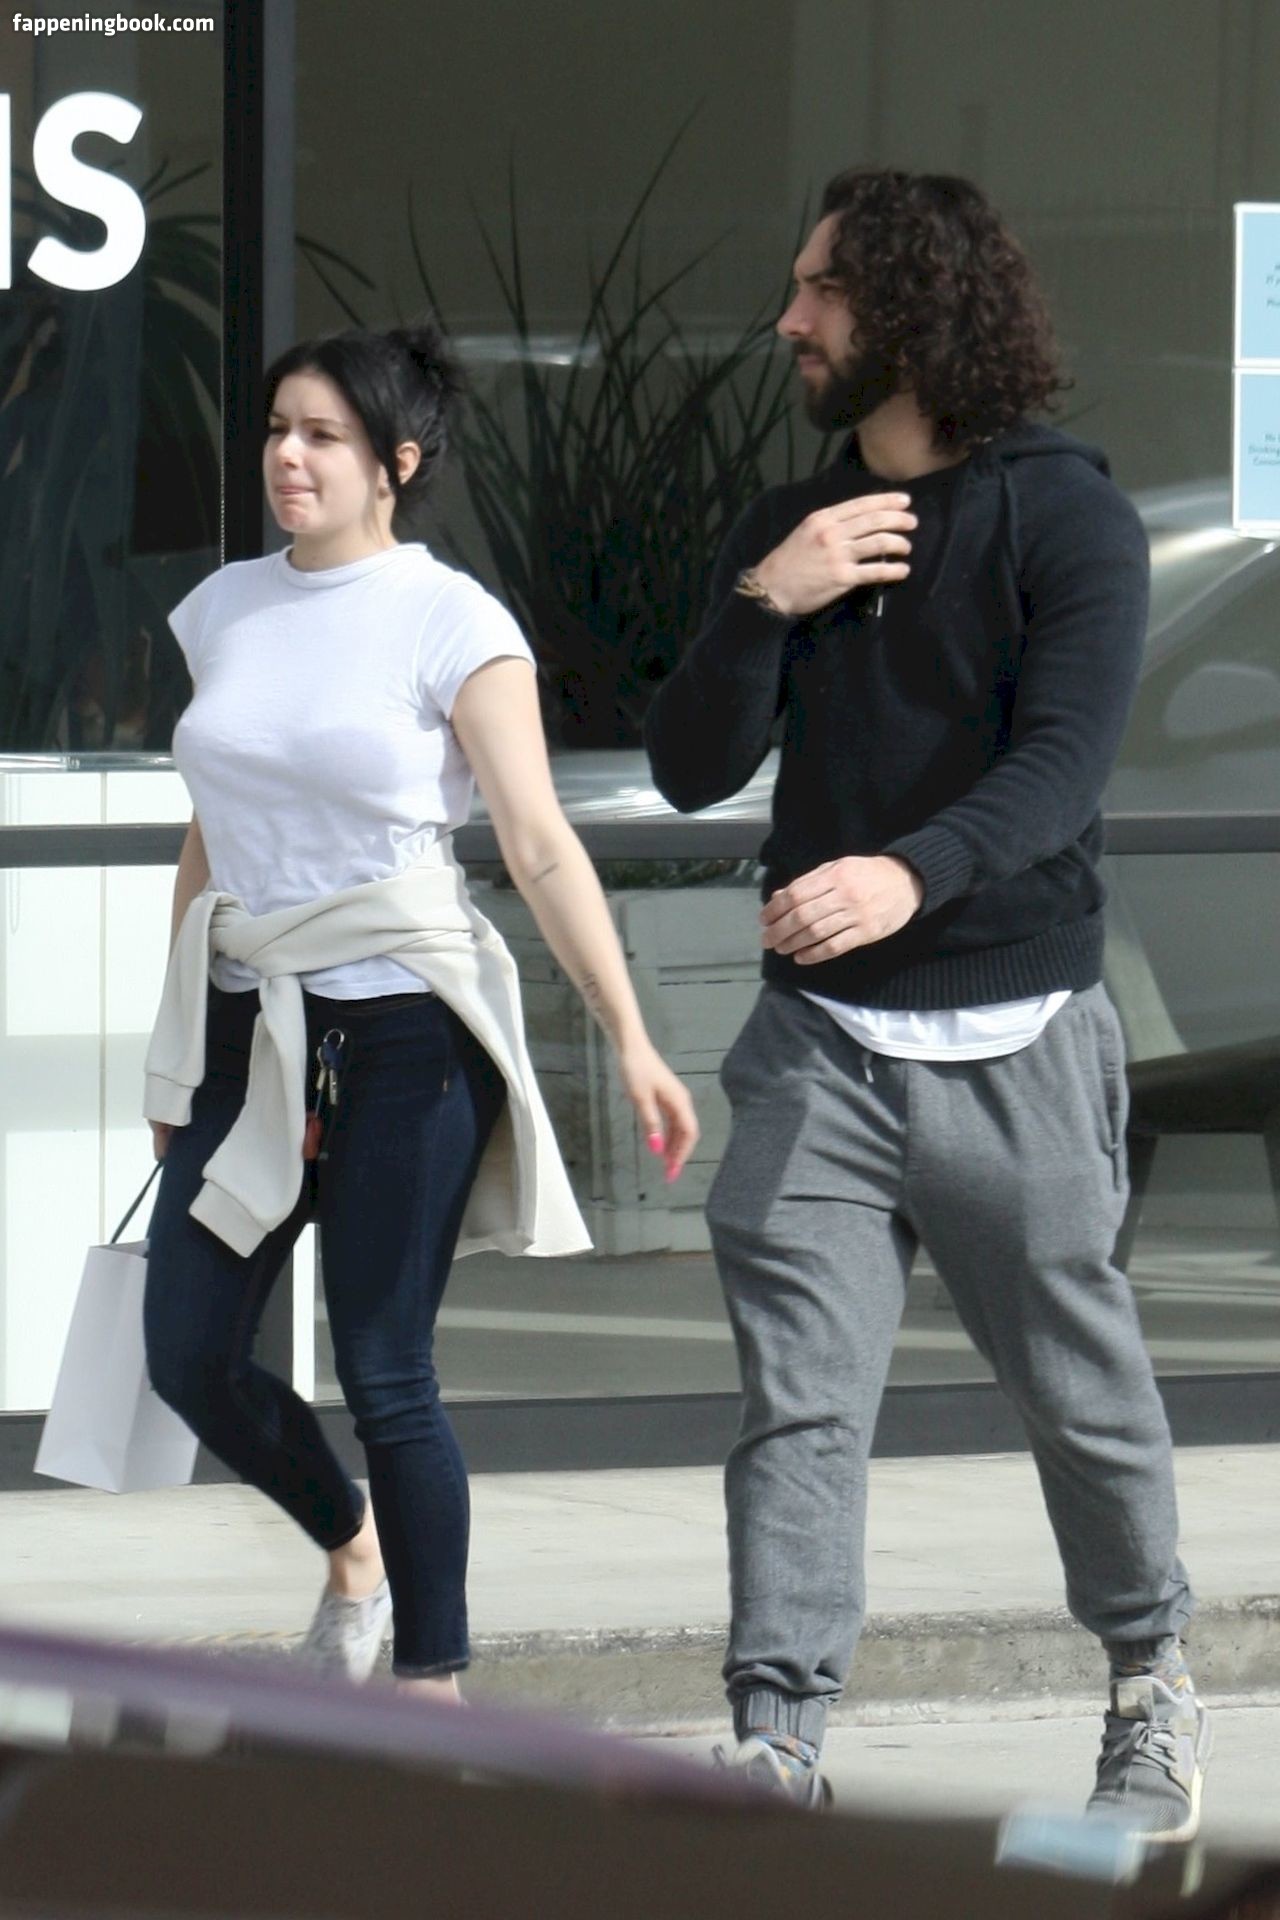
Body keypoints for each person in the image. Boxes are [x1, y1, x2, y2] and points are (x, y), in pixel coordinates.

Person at [643, 168, 1210, 1836]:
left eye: (819, 291)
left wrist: (909, 874)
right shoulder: (792, 527)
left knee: (1078, 1397)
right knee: (800, 1408)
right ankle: (776, 1741)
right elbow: (688, 769)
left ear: (911, 306)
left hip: (1015, 1039)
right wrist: (770, 598)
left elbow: (1064, 769)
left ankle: (1149, 1683)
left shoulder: (1069, 517)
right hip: (817, 1050)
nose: (788, 321)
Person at [142, 319, 698, 1702]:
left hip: (403, 1031)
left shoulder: (454, 621)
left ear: (397, 461)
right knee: (187, 1355)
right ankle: (353, 1551)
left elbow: (539, 844)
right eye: (278, 429)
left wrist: (627, 1034)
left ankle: (432, 1693)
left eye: (323, 436)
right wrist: (173, 1054)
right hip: (247, 1025)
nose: (288, 456)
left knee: (388, 1370)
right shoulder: (223, 610)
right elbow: (211, 832)